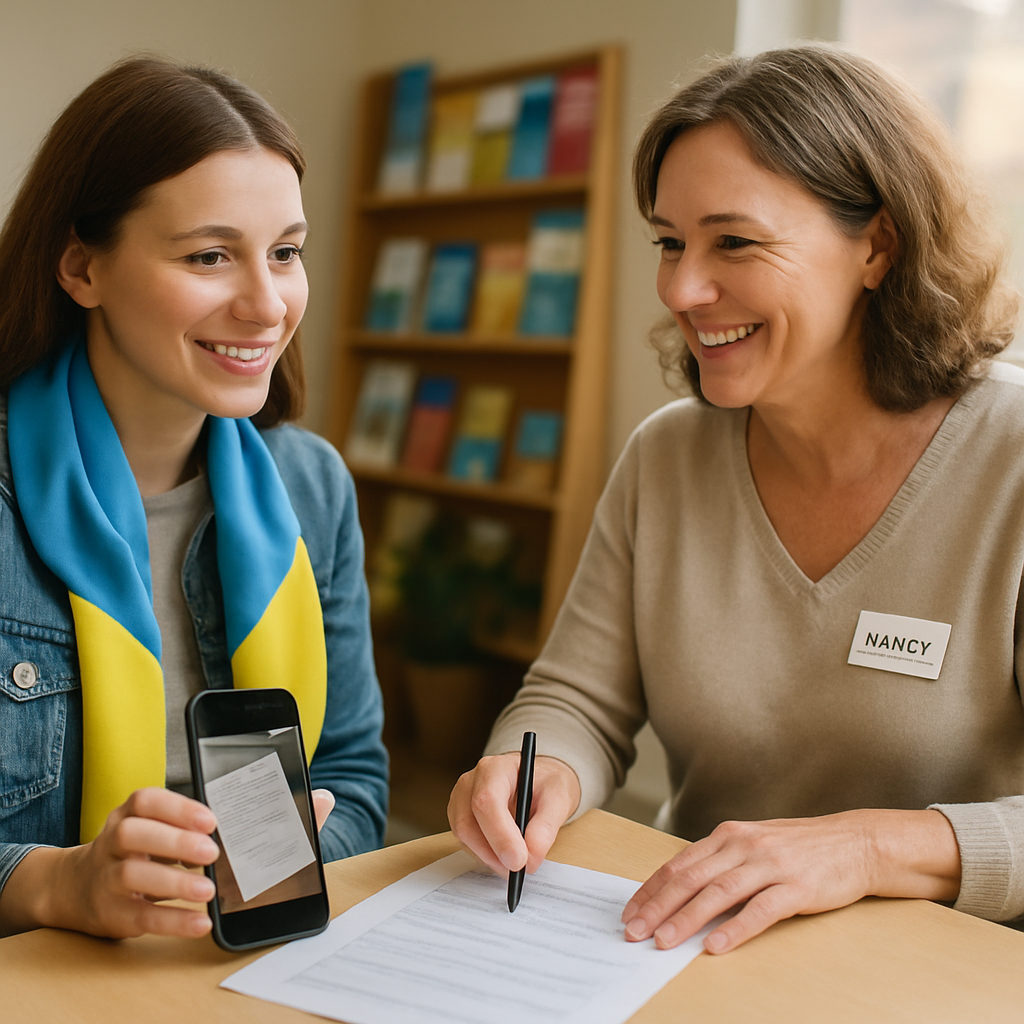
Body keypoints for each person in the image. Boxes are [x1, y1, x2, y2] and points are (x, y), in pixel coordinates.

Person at [449, 44, 1024, 955]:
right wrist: (535, 769)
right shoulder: (667, 456)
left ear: (877, 245)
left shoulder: (1014, 460)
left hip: (947, 979)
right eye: (670, 242)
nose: (681, 288)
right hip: (698, 955)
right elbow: (577, 701)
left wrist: (866, 847)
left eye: (735, 242)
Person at [0, 57, 388, 939]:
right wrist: (60, 885)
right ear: (80, 267)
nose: (266, 304)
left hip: (245, 967)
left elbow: (355, 777)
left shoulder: (312, 486)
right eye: (210, 255)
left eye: (286, 252)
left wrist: (286, 864)